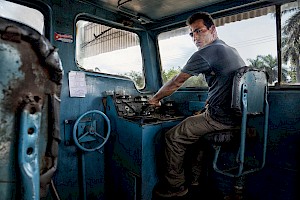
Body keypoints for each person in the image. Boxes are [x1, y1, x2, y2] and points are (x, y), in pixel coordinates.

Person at [148, 12, 246, 198]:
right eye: (192, 33)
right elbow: (226, 85)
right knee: (196, 132)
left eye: (199, 31)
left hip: (219, 119)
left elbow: (177, 81)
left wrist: (155, 99)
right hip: (236, 118)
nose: (195, 37)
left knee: (172, 136)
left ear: (213, 30)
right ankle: (194, 180)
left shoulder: (208, 52)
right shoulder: (229, 49)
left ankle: (175, 187)